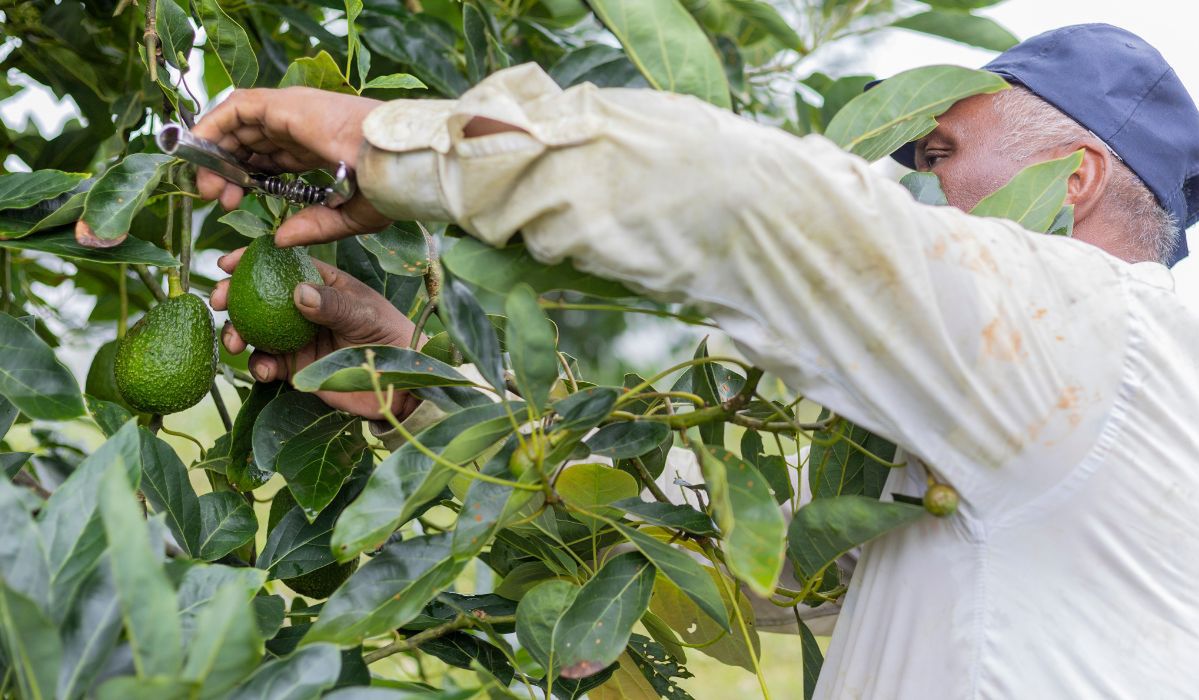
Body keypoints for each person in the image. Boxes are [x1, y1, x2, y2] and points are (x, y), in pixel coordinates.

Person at [197, 23, 1199, 699]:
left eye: (936, 155)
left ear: (1071, 179)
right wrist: (409, 377)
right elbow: (717, 566)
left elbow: (764, 208)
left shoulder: (1096, 337)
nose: (921, 197)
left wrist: (397, 144)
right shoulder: (1024, 427)